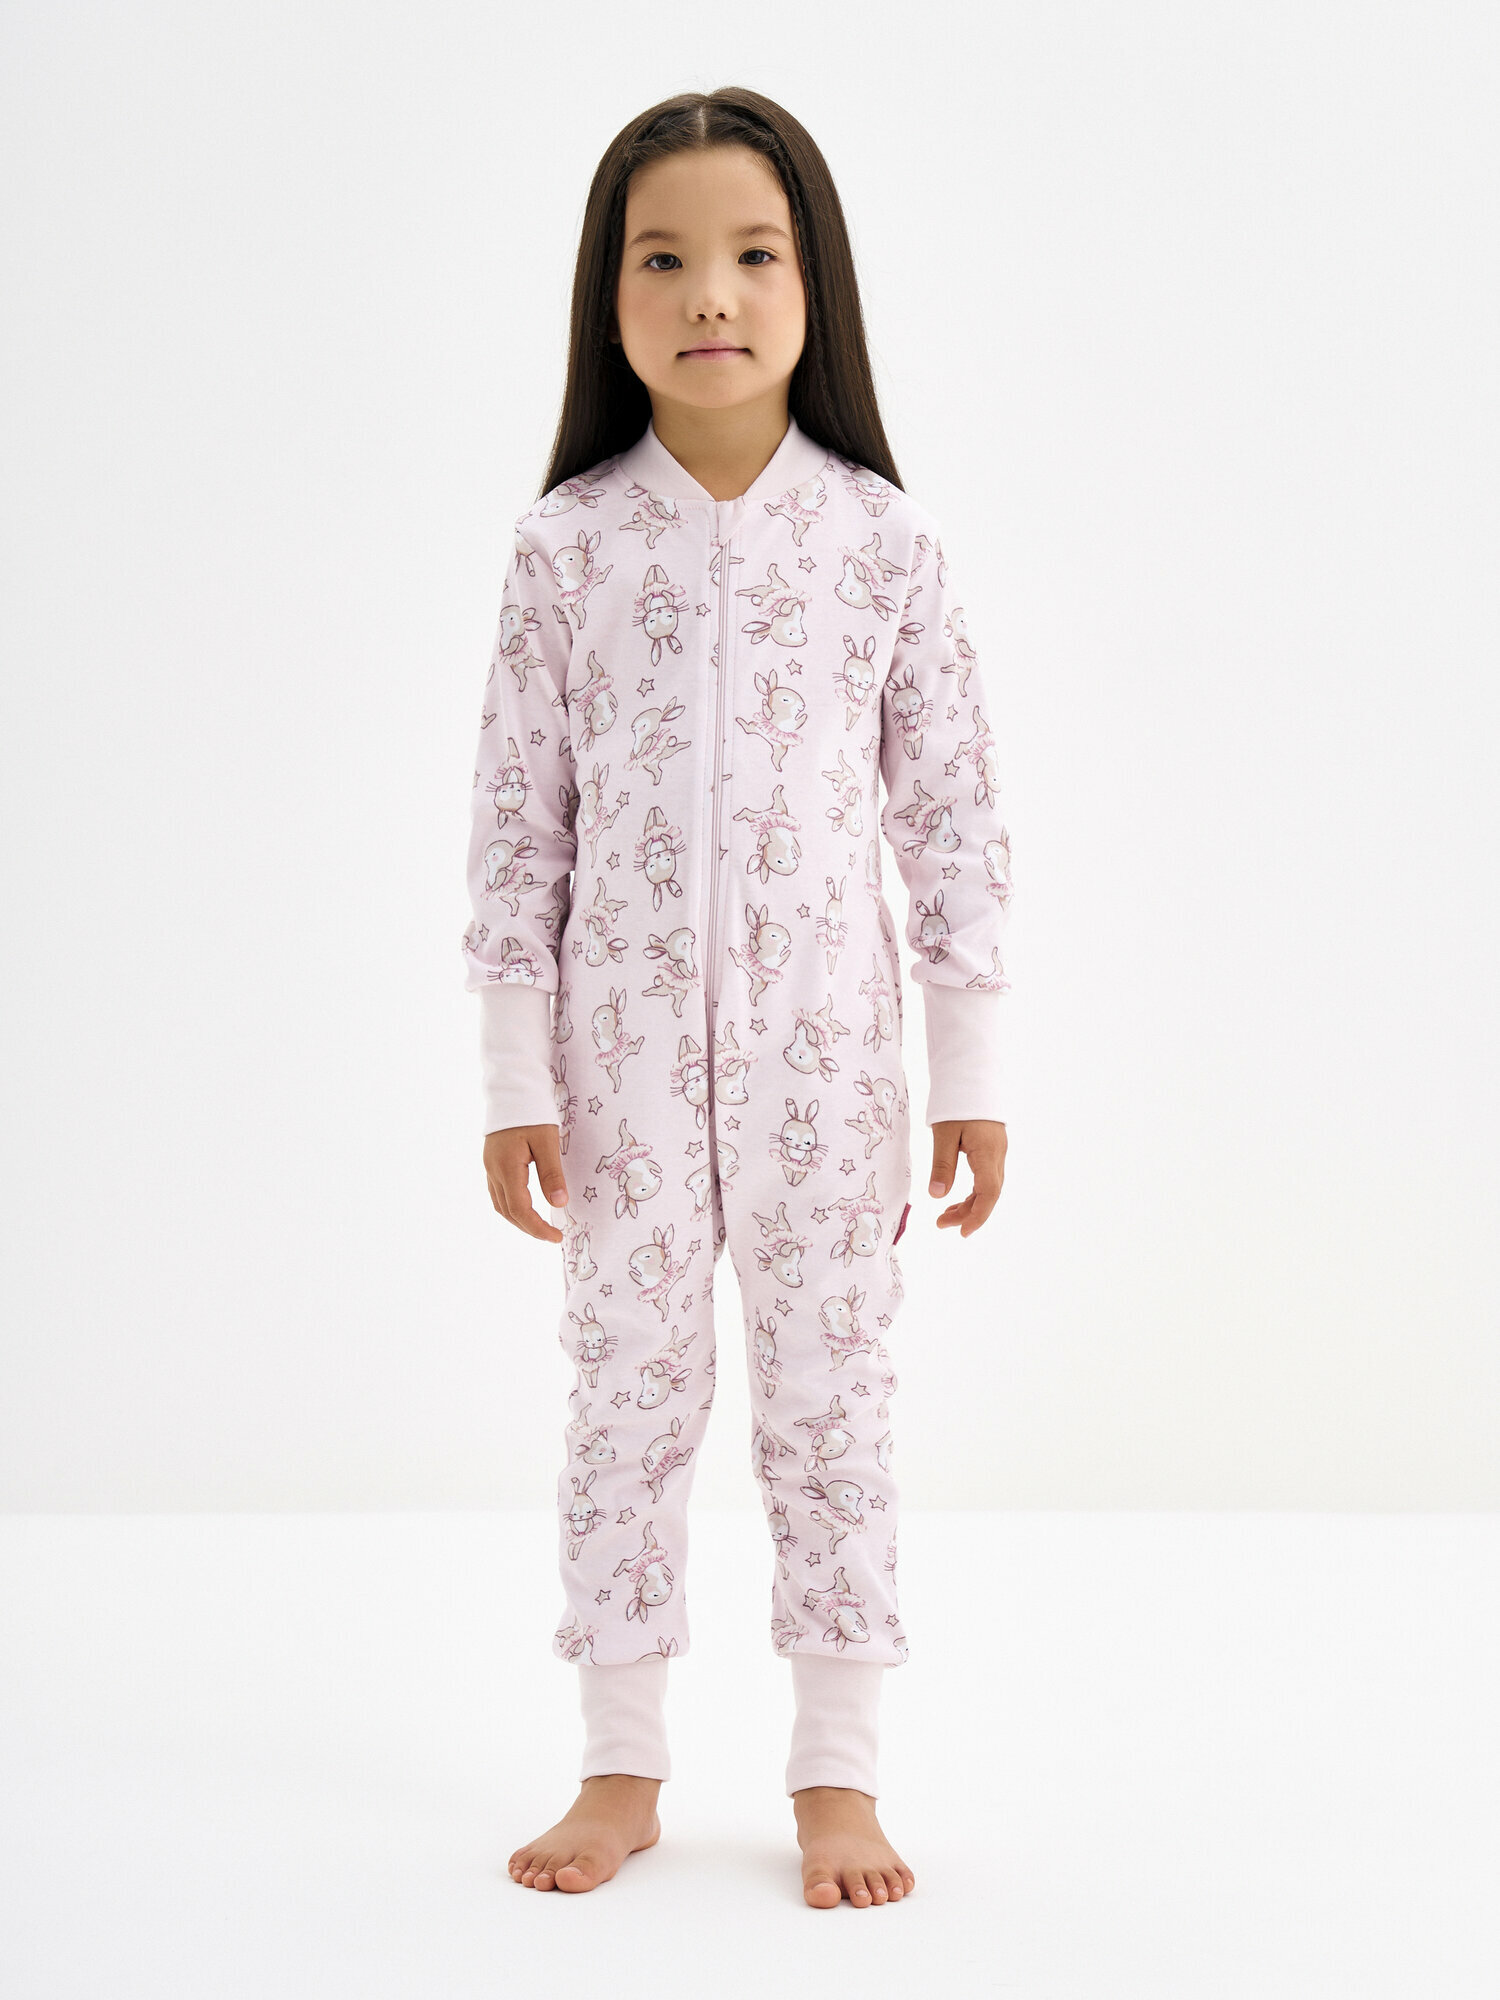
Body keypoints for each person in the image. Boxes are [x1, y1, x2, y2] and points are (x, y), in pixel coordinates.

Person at [461, 87, 1013, 1909]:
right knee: (625, 1406)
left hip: (828, 1075)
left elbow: (952, 820)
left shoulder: (881, 543)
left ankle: (838, 1778)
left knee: (831, 1412)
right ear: (608, 298)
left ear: (813, 284)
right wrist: (515, 1075)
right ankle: (619, 1765)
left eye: (754, 253)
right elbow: (516, 829)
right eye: (663, 258)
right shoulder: (567, 547)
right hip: (617, 1083)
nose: (710, 292)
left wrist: (969, 1072)